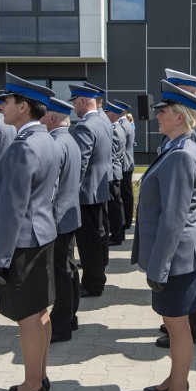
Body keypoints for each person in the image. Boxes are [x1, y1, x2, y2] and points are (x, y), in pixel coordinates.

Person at [133, 79, 196, 391]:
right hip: (174, 257)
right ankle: (174, 379)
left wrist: (159, 266)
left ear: (179, 116)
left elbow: (174, 219)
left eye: (162, 111)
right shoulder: (175, 146)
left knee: (177, 327)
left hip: (176, 258)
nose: (157, 116)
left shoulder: (181, 154)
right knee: (174, 323)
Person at [0, 75, 57, 391]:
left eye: (8, 101)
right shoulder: (45, 140)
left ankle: (31, 385)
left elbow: (13, 209)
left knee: (27, 316)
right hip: (40, 236)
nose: (3, 106)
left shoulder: (24, 146)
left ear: (23, 106)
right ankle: (38, 377)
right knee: (40, 312)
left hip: (22, 243)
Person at [42, 97, 82, 343]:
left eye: (44, 115)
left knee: (61, 273)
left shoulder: (56, 144)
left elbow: (51, 189)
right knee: (68, 269)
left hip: (57, 218)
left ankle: (61, 325)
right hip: (68, 215)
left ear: (53, 118)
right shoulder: (70, 140)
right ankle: (70, 317)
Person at [69, 82, 113, 297]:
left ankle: (92, 283)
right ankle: (96, 278)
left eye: (75, 102)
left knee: (88, 242)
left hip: (86, 192)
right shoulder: (103, 119)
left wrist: (68, 192)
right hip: (98, 189)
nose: (74, 107)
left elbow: (79, 164)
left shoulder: (85, 125)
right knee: (97, 238)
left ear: (83, 101)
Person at [104, 101, 127, 246]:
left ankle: (117, 235)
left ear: (111, 114)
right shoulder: (119, 128)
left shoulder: (114, 130)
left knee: (114, 207)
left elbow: (111, 155)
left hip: (112, 172)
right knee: (117, 205)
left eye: (107, 113)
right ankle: (119, 233)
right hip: (116, 171)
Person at [111, 99, 136, 230]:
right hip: (128, 162)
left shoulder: (122, 125)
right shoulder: (127, 124)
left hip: (124, 163)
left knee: (125, 194)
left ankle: (126, 220)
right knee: (127, 193)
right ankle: (127, 219)